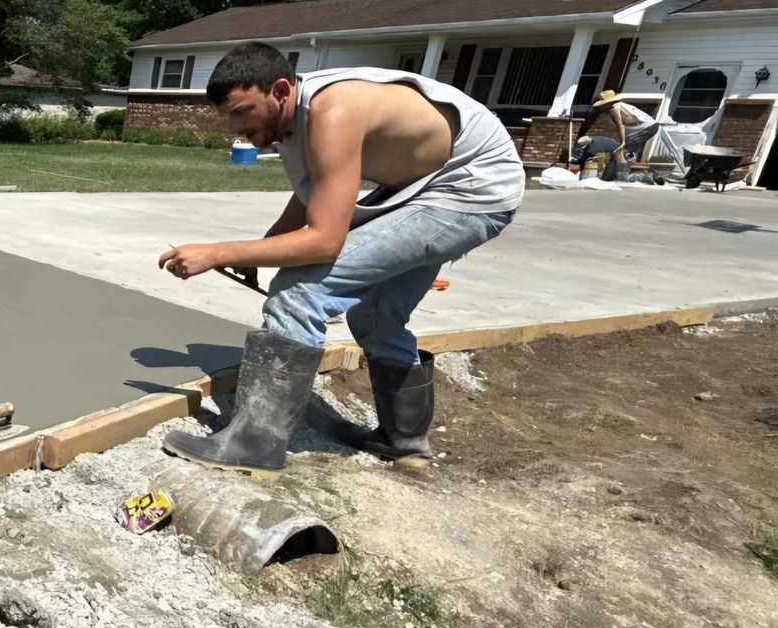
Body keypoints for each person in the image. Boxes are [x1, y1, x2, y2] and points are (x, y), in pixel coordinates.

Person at [157, 43, 523, 478]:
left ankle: (253, 445)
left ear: (279, 91)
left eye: (240, 112)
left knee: (299, 292)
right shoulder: (291, 119)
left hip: (470, 189)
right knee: (375, 317)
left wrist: (219, 251)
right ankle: (403, 442)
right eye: (227, 117)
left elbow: (325, 241)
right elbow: (315, 191)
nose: (234, 128)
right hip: (424, 184)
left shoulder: (332, 112)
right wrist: (264, 247)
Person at [572, 89, 661, 180]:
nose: (601, 108)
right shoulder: (621, 105)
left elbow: (620, 125)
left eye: (601, 105)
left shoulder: (613, 109)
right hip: (651, 126)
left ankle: (618, 177)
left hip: (646, 128)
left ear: (606, 104)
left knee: (621, 151)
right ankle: (617, 175)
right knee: (624, 152)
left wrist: (623, 142)